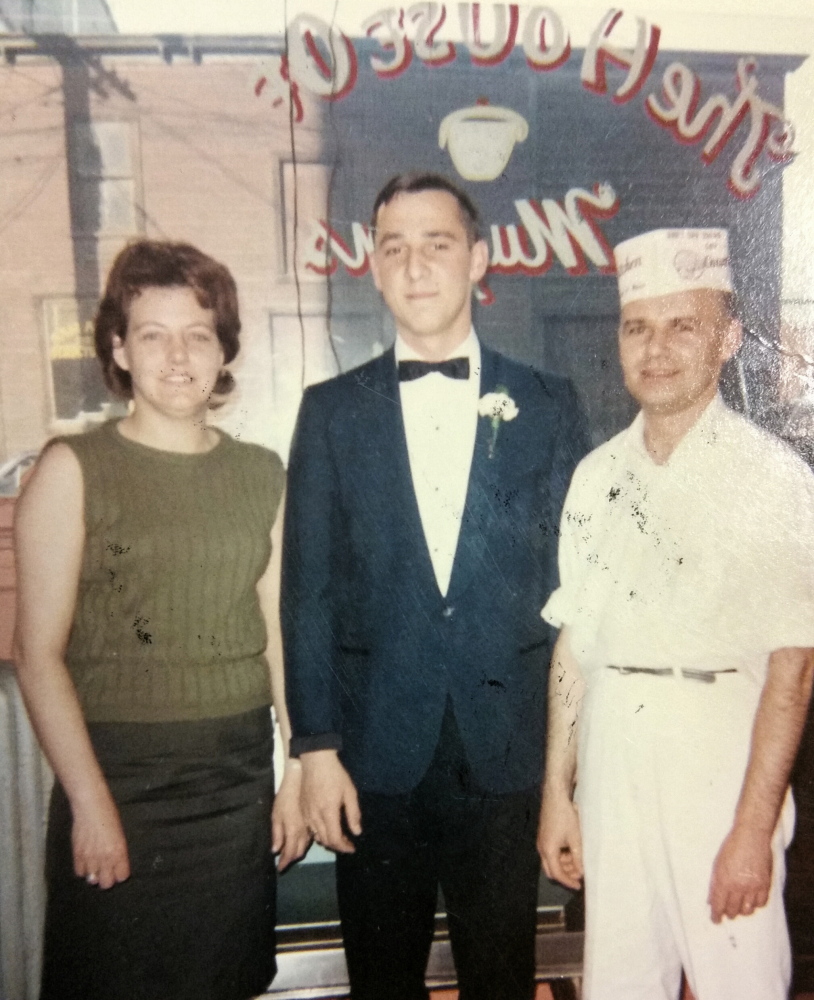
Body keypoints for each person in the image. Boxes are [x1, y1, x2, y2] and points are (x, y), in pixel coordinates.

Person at [281, 171, 588, 1000]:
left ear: (478, 260)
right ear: (374, 269)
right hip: (373, 761)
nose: (415, 267)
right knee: (382, 983)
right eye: (394, 249)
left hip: (506, 754)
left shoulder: (549, 405)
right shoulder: (330, 411)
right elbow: (306, 593)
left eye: (437, 244)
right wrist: (315, 749)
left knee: (501, 979)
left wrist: (565, 772)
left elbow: (577, 599)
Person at [13, 240, 310, 1000]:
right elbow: (38, 654)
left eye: (198, 335)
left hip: (235, 780)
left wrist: (297, 771)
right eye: (153, 335)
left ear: (223, 350)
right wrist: (89, 803)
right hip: (119, 780)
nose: (178, 357)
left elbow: (280, 634)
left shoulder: (262, 474)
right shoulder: (72, 468)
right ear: (118, 348)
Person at [538, 227, 814, 1000]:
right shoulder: (596, 477)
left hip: (721, 764)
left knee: (741, 984)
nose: (655, 349)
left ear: (728, 339)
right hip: (613, 762)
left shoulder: (773, 479)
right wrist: (558, 791)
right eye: (637, 328)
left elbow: (794, 670)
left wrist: (753, 829)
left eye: (682, 325)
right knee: (620, 985)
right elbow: (575, 646)